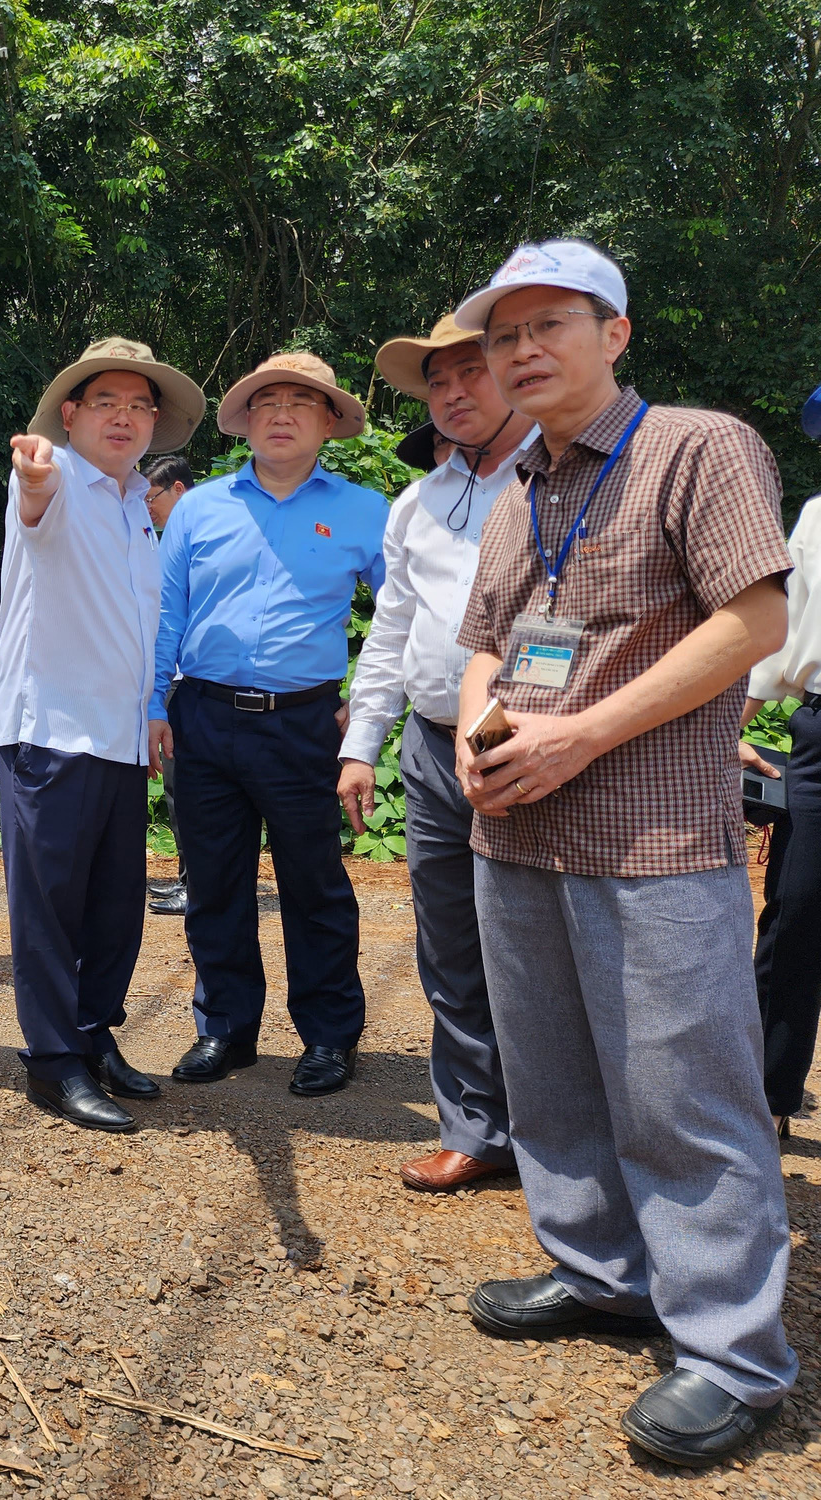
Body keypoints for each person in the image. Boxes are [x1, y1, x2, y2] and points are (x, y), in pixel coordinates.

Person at [451, 239, 796, 1467]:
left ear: (617, 333)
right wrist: (476, 730)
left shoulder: (695, 448)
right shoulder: (516, 487)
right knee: (550, 1078)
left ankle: (730, 1354)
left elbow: (755, 615)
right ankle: (599, 1271)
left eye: (549, 324)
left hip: (649, 834)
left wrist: (580, 734)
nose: (521, 350)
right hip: (517, 831)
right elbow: (487, 642)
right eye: (502, 335)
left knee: (681, 1096)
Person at [151, 352, 386, 1098]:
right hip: (205, 718)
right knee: (214, 880)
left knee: (313, 882)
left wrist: (369, 705)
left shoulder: (362, 510)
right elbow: (166, 613)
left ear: (327, 423)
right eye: (267, 402)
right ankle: (225, 1028)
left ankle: (329, 1036)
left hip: (303, 725)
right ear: (247, 421)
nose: (282, 414)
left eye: (300, 403)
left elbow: (401, 617)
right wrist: (155, 705)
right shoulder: (200, 507)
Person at [340, 315, 534, 1192]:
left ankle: (559, 1135)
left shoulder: (562, 481)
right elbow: (391, 630)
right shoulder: (414, 503)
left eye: (471, 374)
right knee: (450, 942)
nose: (454, 394)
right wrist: (360, 746)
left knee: (538, 945)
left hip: (533, 749)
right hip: (428, 744)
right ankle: (476, 1125)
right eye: (437, 383)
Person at [0, 337, 206, 1131]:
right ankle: (52, 1064)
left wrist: (152, 710)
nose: (124, 417)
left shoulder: (135, 508)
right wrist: (34, 476)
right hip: (52, 734)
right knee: (49, 910)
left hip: (119, 739)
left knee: (115, 906)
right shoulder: (56, 483)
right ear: (71, 413)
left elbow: (141, 625)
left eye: (140, 405)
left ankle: (92, 1036)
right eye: (106, 402)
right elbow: (34, 502)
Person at [745, 379, 821, 1138]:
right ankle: (767, 1095)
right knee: (796, 912)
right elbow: (783, 641)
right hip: (820, 736)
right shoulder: (816, 520)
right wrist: (727, 726)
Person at [141, 452, 194, 919]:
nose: (147, 507)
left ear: (179, 489)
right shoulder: (164, 543)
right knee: (178, 791)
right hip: (172, 682)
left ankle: (193, 886)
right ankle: (187, 880)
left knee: (186, 790)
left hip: (189, 682)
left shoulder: (196, 542)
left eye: (151, 496)